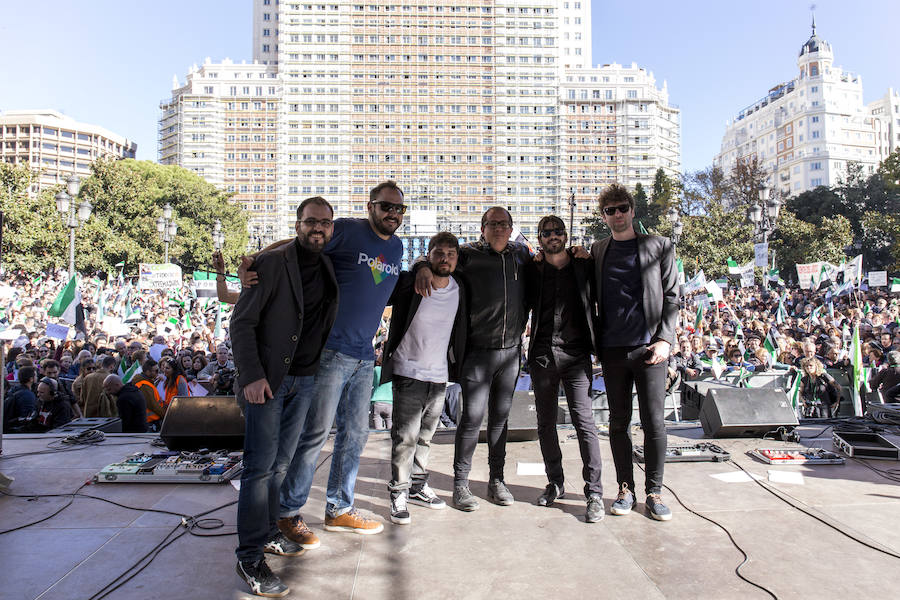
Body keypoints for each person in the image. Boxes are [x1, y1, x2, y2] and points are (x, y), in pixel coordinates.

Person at [275, 181, 403, 537]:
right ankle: (287, 512)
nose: (392, 213)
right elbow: (293, 248)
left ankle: (339, 508)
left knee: (354, 435)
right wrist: (254, 263)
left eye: (398, 209)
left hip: (365, 356)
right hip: (330, 352)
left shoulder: (397, 248)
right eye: (385, 206)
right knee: (314, 434)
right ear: (370, 206)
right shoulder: (345, 230)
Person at [231, 196, 339, 598]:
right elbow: (241, 323)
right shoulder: (273, 265)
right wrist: (252, 376)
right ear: (297, 225)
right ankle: (249, 557)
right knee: (258, 470)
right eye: (312, 221)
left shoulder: (327, 265)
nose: (319, 228)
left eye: (325, 223)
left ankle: (271, 531)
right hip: (270, 382)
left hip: (305, 380)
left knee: (280, 466)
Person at [415, 206, 531, 511]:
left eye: (504, 224)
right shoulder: (468, 255)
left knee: (500, 420)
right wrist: (423, 268)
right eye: (492, 224)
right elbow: (435, 261)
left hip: (511, 353)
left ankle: (497, 480)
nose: (498, 229)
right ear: (482, 228)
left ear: (511, 228)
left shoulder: (522, 255)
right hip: (478, 353)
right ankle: (461, 485)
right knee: (471, 419)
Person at [590, 183, 678, 522]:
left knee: (655, 422)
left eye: (622, 208)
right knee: (618, 423)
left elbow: (672, 296)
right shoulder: (597, 251)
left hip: (650, 349)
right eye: (610, 210)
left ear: (632, 209)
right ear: (604, 216)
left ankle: (654, 491)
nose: (617, 215)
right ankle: (625, 487)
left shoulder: (659, 246)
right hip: (612, 350)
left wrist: (665, 339)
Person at [381, 232, 467, 524]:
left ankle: (417, 486)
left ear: (457, 259)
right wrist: (419, 267)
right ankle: (398, 491)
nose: (445, 258)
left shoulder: (460, 288)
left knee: (427, 438)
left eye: (450, 254)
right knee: (405, 437)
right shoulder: (411, 282)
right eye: (438, 253)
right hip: (408, 371)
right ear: (428, 255)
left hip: (440, 375)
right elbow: (384, 286)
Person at [524, 216, 604, 523]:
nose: (553, 236)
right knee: (545, 425)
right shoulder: (533, 268)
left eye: (558, 232)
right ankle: (555, 482)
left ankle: (594, 492)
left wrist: (582, 252)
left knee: (585, 423)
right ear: (540, 238)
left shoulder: (583, 264)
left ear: (566, 235)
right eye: (547, 233)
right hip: (543, 355)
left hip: (576, 354)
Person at [133, 359, 165, 430]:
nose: (158, 373)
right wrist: (165, 416)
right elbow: (153, 405)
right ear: (147, 372)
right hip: (150, 422)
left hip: (149, 421)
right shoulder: (145, 385)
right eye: (156, 371)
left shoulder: (146, 382)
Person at [3, 366, 37, 431]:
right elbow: (26, 418)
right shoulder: (27, 395)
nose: (37, 377)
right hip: (16, 432)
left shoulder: (13, 390)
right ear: (31, 379)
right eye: (35, 376)